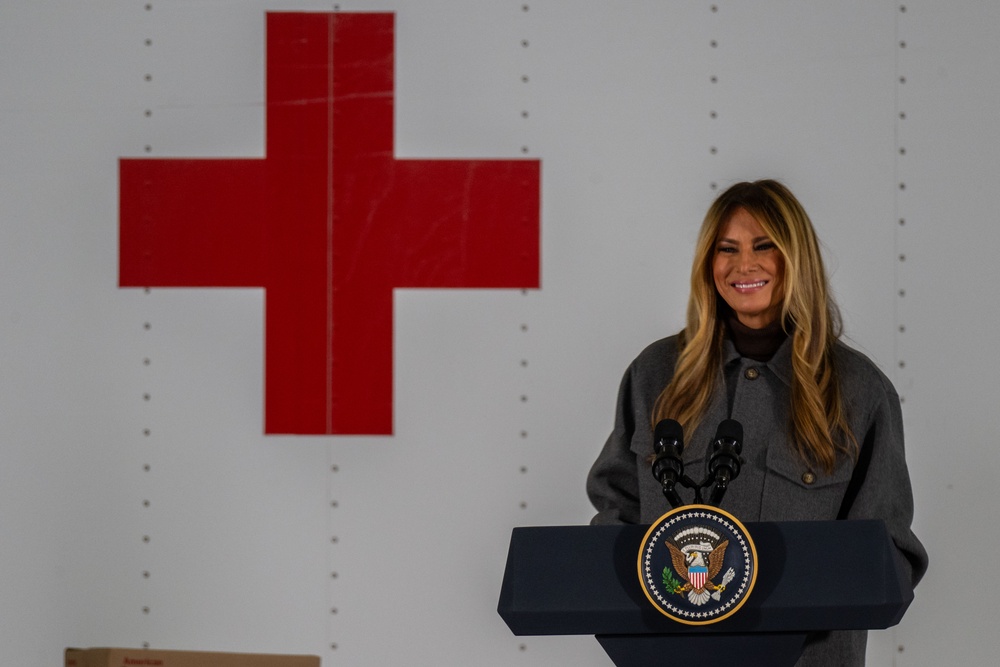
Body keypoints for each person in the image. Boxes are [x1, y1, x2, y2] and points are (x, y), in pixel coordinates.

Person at [586, 179, 928, 666]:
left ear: (797, 258)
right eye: (727, 249)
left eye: (764, 246)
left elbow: (890, 553)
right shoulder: (655, 374)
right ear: (709, 263)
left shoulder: (859, 391)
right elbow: (614, 511)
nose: (744, 265)